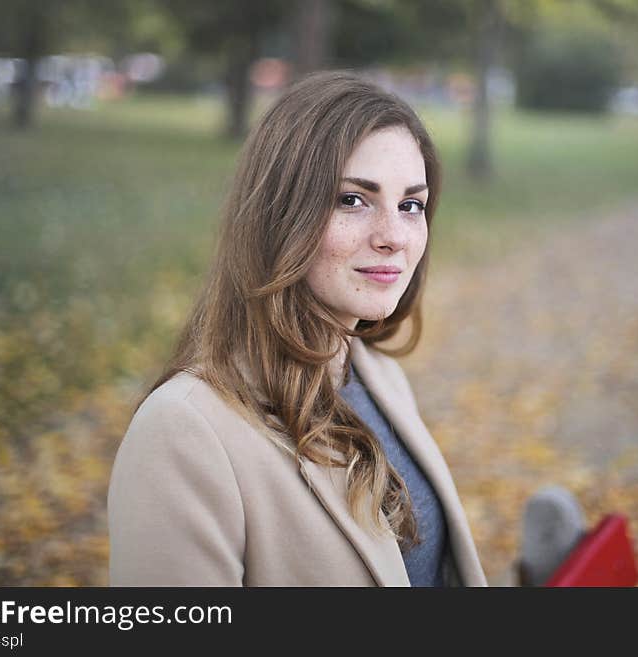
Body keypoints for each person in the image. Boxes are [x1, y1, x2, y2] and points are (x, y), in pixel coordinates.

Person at [107, 70, 487, 586]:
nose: (395, 236)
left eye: (410, 205)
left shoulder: (377, 375)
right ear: (280, 214)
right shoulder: (183, 432)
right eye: (352, 199)